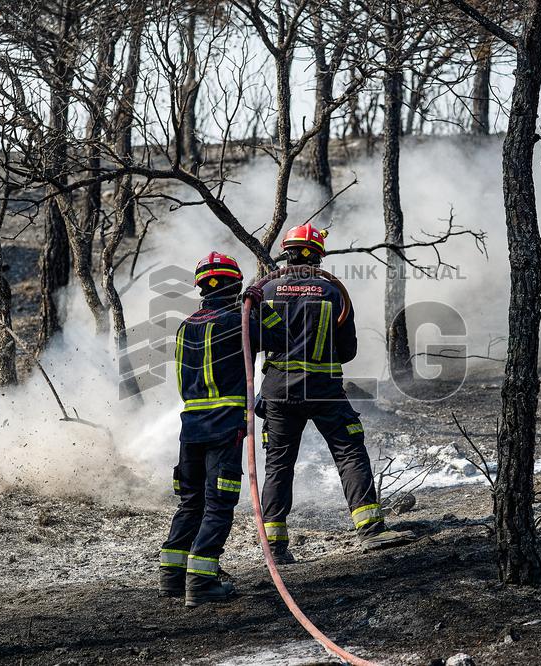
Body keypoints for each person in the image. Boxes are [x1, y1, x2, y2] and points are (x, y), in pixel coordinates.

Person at [259, 223, 414, 564]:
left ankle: (275, 548)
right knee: (348, 451)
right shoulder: (332, 291)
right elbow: (347, 351)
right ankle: (371, 531)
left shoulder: (264, 291)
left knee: (278, 464)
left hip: (277, 392)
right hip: (324, 389)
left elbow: (250, 343)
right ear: (317, 254)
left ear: (287, 252)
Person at [159, 252, 285, 607]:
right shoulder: (237, 321)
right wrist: (259, 305)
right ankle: (201, 582)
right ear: (233, 284)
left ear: (201, 286)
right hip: (225, 426)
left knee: (191, 502)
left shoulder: (186, 325)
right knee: (218, 504)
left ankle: (171, 577)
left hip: (190, 428)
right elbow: (281, 337)